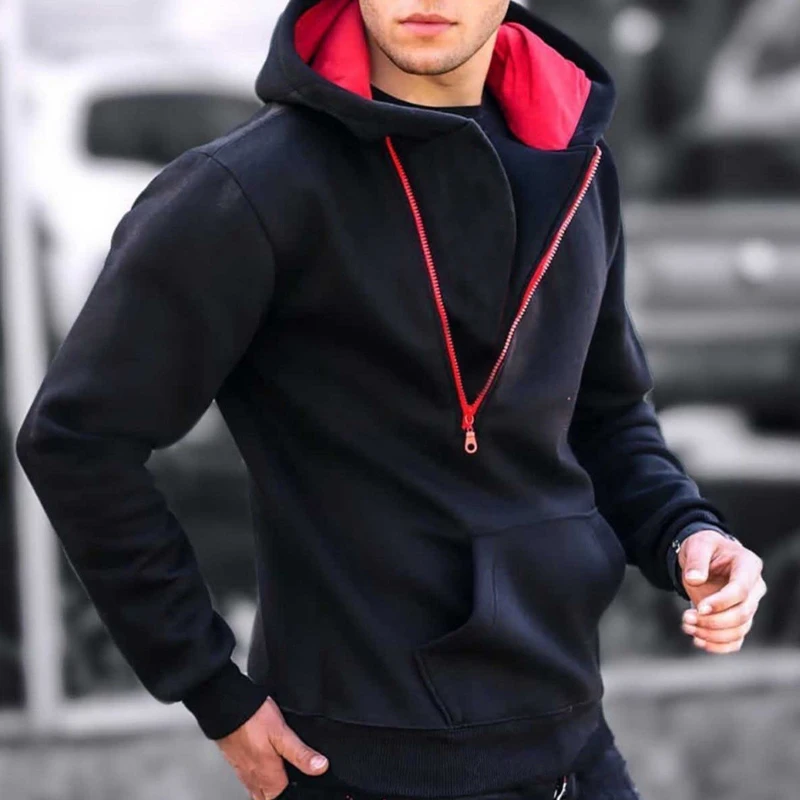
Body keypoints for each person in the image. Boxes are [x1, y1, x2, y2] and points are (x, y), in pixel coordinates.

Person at [15, 1, 768, 799]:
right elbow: (77, 439)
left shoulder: (575, 163)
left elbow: (605, 415)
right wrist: (209, 684)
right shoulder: (251, 189)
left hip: (575, 746)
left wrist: (686, 531)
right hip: (365, 767)